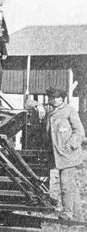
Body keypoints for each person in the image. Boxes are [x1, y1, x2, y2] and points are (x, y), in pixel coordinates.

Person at [45, 87, 85, 220]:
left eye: (56, 97)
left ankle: (67, 213)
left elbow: (79, 132)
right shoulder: (50, 112)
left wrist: (70, 145)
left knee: (65, 184)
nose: (53, 100)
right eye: (51, 97)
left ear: (62, 98)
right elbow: (29, 103)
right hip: (58, 154)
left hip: (69, 155)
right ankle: (77, 215)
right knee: (70, 185)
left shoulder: (69, 110)